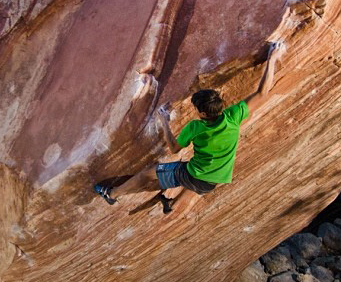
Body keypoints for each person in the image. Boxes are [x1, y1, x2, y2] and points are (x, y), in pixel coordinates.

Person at [94, 41, 285, 213]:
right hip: (216, 179)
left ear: (202, 113)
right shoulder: (233, 116)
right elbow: (262, 93)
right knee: (199, 184)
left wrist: (164, 123)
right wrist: (272, 58)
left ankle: (112, 194)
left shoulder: (196, 127)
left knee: (149, 173)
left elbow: (176, 149)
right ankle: (172, 205)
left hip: (193, 176)